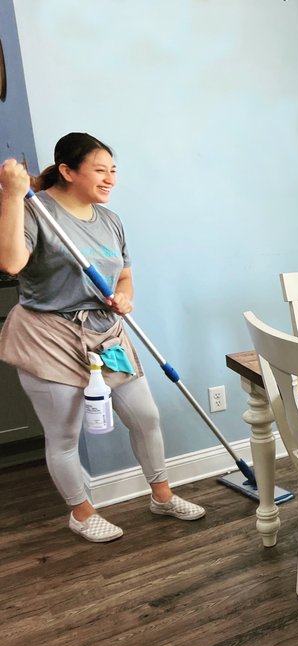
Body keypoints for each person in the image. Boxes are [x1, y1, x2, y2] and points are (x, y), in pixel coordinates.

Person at [0, 133, 205, 543]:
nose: (111, 178)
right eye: (100, 170)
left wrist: (124, 298)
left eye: (114, 171)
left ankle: (161, 496)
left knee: (145, 416)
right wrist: (11, 194)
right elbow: (10, 263)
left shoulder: (110, 219)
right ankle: (81, 512)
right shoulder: (34, 211)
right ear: (67, 171)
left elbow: (124, 273)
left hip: (105, 333)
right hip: (49, 335)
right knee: (64, 435)